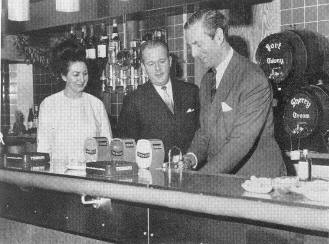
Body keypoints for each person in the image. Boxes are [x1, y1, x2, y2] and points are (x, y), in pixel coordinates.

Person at [182, 9, 286, 177]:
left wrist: (201, 178)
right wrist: (190, 158)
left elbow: (239, 143)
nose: (193, 54)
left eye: (198, 44)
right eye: (190, 46)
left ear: (218, 36)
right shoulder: (207, 81)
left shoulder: (253, 79)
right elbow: (205, 132)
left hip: (258, 182)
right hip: (225, 179)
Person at [117, 40, 199, 159]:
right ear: (143, 67)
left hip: (191, 171)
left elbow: (203, 134)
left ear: (170, 61)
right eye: (151, 64)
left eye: (162, 61)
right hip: (153, 173)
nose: (157, 69)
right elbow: (127, 147)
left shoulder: (191, 92)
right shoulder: (133, 100)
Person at [37, 40, 112, 164]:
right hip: (59, 176)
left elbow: (107, 146)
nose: (82, 79)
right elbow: (43, 150)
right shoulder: (49, 104)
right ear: (64, 76)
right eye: (76, 74)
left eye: (85, 73)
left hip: (90, 176)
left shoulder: (96, 104)